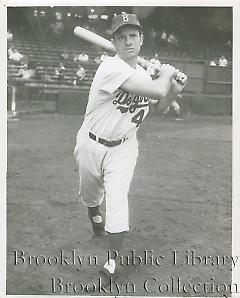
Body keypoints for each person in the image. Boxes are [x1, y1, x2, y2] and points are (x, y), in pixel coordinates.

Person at [74, 12, 187, 286]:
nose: (127, 41)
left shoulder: (145, 75)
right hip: (91, 141)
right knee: (90, 194)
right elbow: (157, 92)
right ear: (114, 41)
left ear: (141, 39)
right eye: (121, 37)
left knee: (117, 201)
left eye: (132, 36)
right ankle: (93, 213)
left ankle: (111, 261)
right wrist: (168, 75)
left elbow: (159, 105)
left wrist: (174, 88)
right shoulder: (109, 67)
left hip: (124, 147)